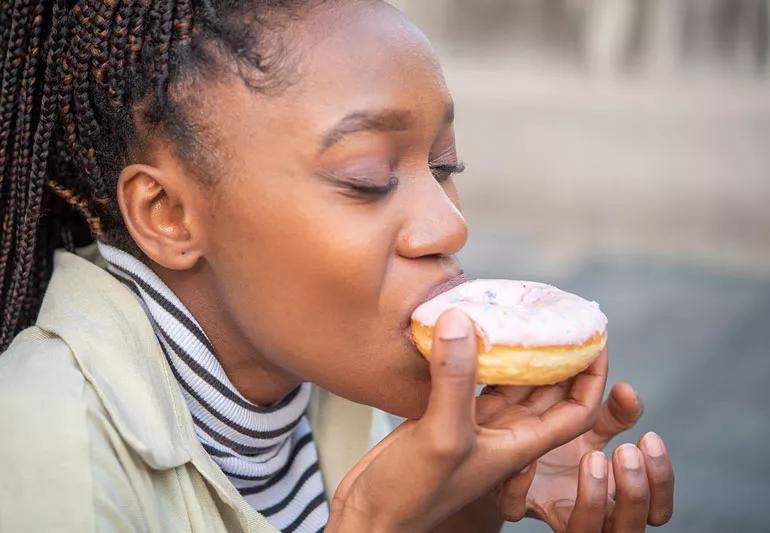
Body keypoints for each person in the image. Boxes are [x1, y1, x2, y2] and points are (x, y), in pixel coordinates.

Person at [0, 0, 674, 531]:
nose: (450, 222)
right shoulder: (46, 447)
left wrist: (467, 504)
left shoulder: (332, 374)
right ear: (168, 212)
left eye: (445, 167)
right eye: (369, 179)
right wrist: (371, 520)